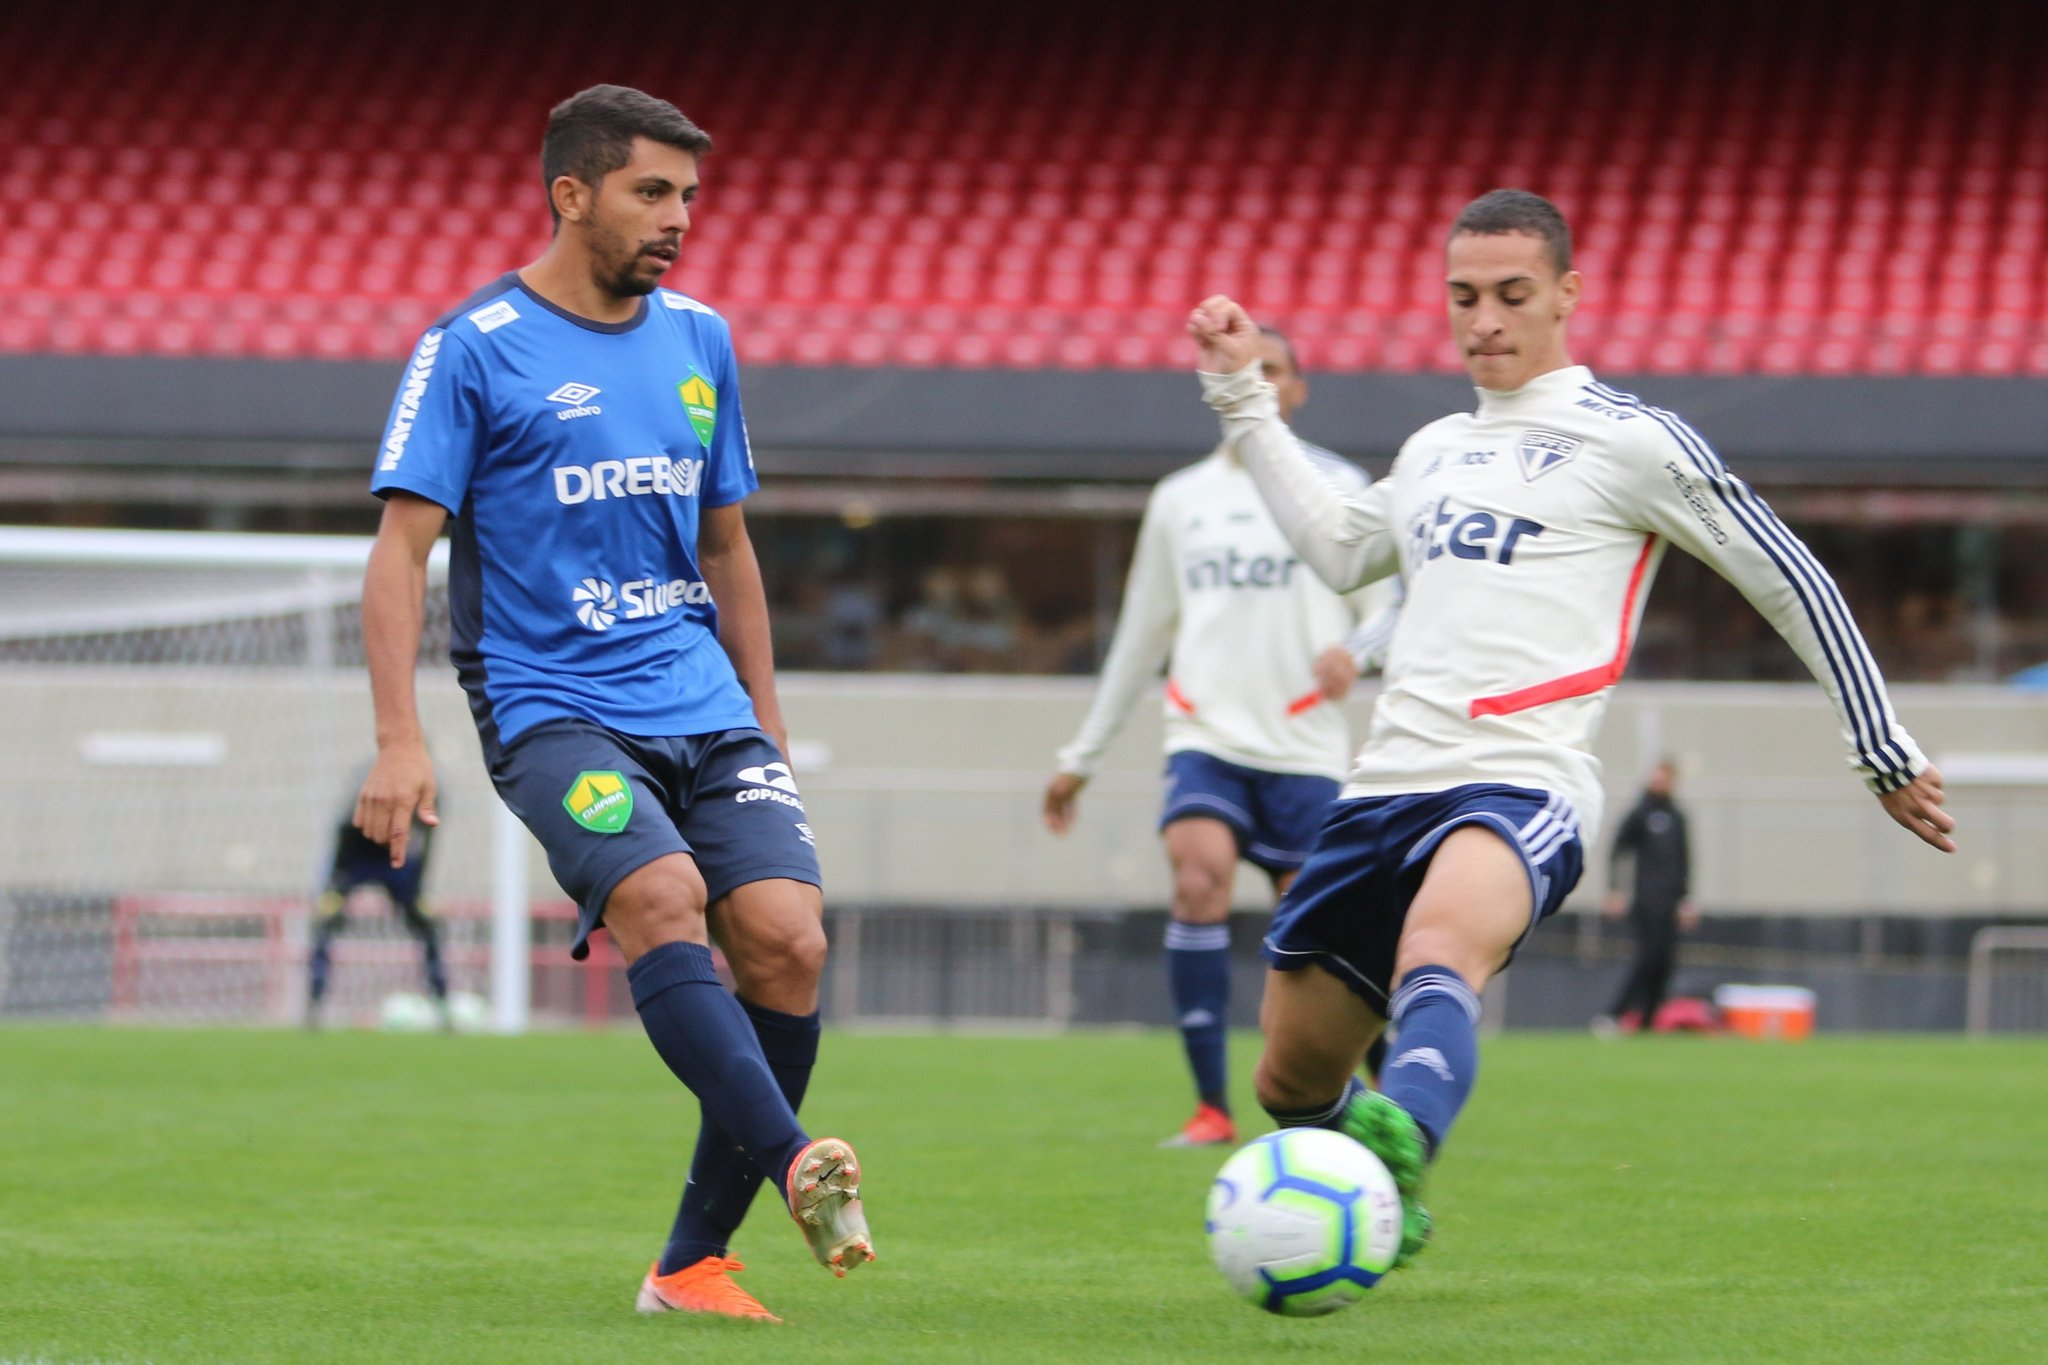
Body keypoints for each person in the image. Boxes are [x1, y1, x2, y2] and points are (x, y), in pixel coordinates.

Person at [1184, 189, 1957, 1268]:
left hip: (1519, 779)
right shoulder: (1434, 448)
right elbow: (1337, 551)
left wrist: (1878, 748)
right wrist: (1241, 402)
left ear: (1565, 295)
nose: (1484, 320)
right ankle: (1362, 1205)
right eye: (1463, 297)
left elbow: (1787, 579)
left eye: (1511, 294)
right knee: (1287, 1082)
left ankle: (1399, 1147)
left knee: (1436, 951)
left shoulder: (1629, 441)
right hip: (1379, 788)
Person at [353, 85, 871, 1323]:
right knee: (661, 896)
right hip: (550, 704)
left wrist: (767, 715)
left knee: (789, 941)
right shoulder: (474, 347)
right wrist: (397, 738)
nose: (678, 218)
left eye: (688, 195)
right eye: (651, 191)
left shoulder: (700, 340)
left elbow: (729, 546)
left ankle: (690, 1266)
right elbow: (398, 553)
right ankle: (797, 1156)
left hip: (703, 697)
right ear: (569, 193)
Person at [1042, 328, 1397, 1148]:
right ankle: (1211, 1107)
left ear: (1297, 389)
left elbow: (1390, 607)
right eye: (1242, 369)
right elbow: (1140, 635)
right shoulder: (1181, 500)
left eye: (1273, 369)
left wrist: (1359, 651)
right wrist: (1081, 758)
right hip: (1205, 737)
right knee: (1196, 878)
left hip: (1305, 747)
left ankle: (1372, 1090)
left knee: (1323, 930)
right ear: (1215, 381)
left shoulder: (1339, 488)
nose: (1257, 382)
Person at [306, 760, 451, 1031]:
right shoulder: (372, 783)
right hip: (358, 857)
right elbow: (345, 831)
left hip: (395, 858)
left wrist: (418, 888)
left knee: (427, 925)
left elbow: (427, 841)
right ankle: (313, 1008)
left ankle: (442, 1008)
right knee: (325, 922)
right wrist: (334, 886)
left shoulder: (430, 792)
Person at [1596, 759, 1696, 1035]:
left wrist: (1686, 899)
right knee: (1647, 958)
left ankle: (1648, 1022)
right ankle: (1614, 1014)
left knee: (1665, 962)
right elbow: (1618, 850)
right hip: (1646, 901)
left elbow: (1684, 862)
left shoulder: (1677, 817)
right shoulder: (1640, 813)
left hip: (1671, 903)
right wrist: (1616, 889)